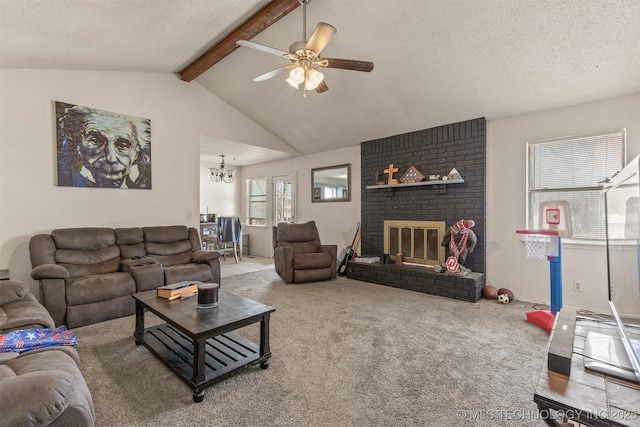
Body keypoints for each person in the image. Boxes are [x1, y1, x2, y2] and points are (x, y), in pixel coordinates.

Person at [56, 103, 151, 188]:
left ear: (136, 153)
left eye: (122, 146)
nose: (111, 158)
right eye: (96, 142)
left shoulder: (143, 183)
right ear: (78, 145)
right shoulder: (66, 179)